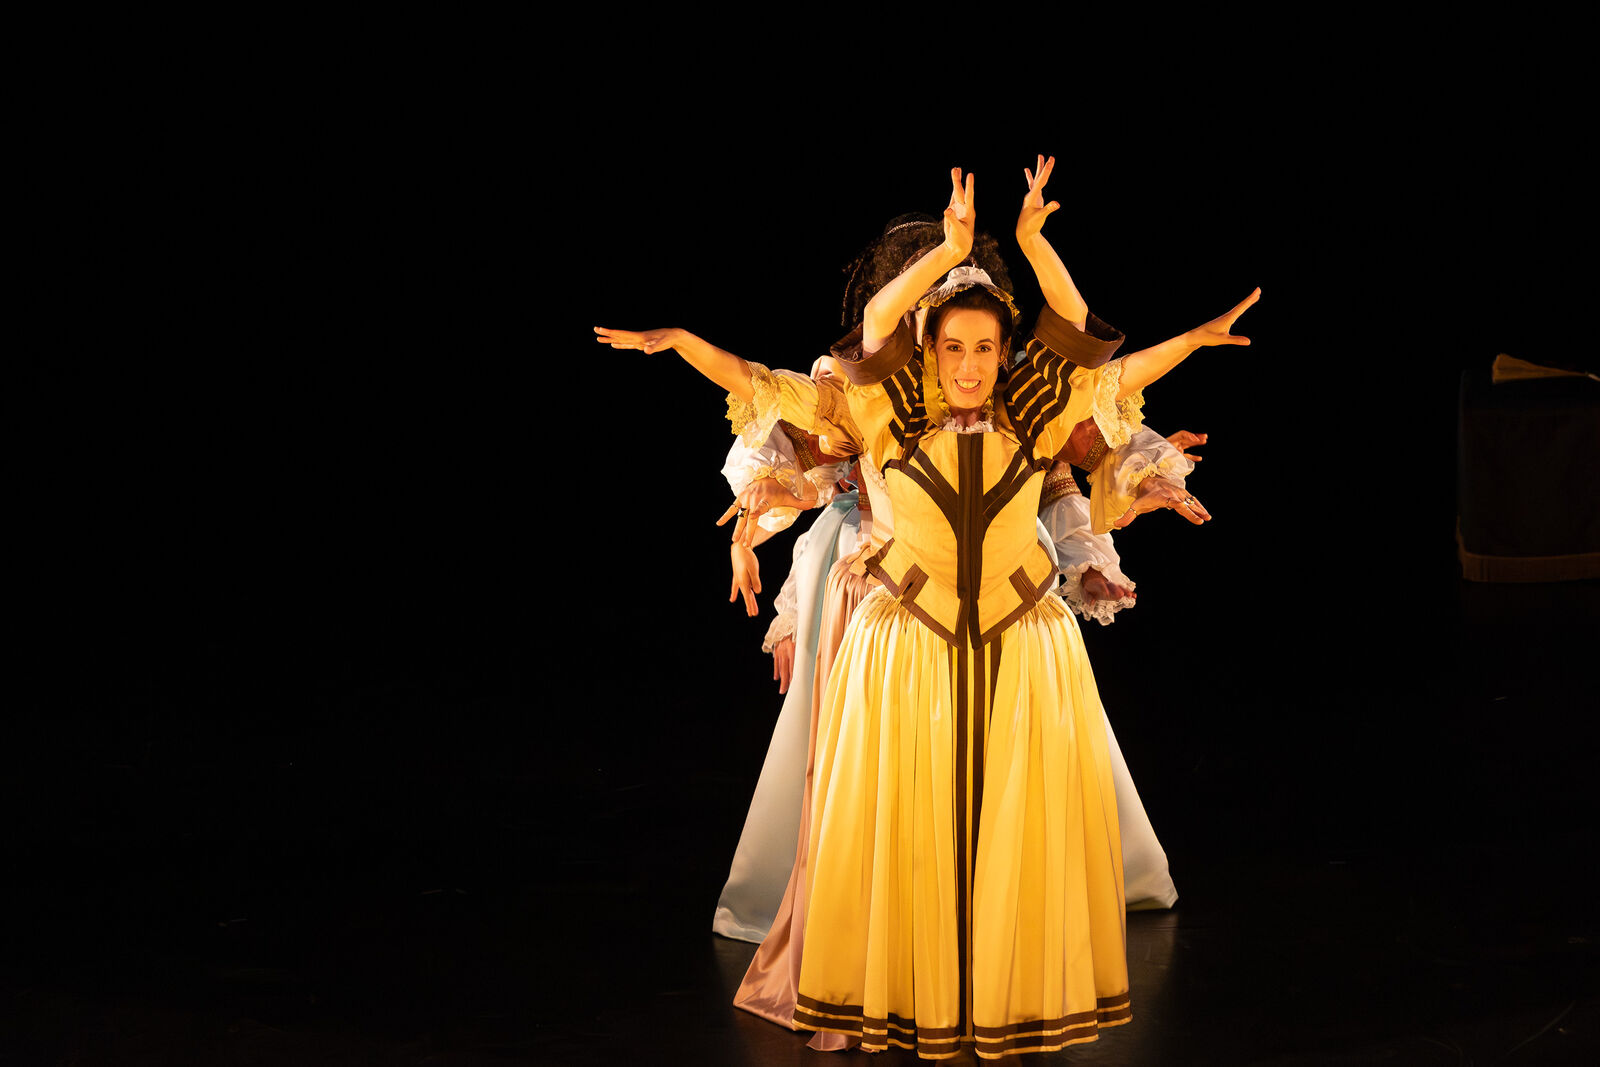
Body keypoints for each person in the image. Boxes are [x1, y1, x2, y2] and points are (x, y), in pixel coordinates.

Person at [597, 155, 1258, 1058]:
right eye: (952, 346)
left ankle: (1004, 982)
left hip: (1018, 640)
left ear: (1005, 351)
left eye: (985, 348)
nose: (970, 365)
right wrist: (685, 344)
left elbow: (1093, 356)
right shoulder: (885, 406)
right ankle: (909, 984)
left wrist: (1044, 252)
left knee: (1013, 823)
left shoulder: (1030, 408)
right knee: (907, 824)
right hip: (907, 632)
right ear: (927, 344)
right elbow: (776, 381)